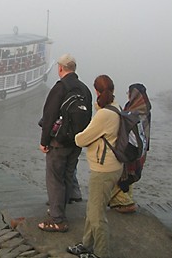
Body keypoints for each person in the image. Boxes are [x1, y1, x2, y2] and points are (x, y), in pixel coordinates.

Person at [67, 74, 123, 258]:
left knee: (97, 215)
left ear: (97, 91)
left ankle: (100, 253)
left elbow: (81, 139)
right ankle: (86, 244)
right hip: (114, 166)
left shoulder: (104, 114)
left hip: (103, 170)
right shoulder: (116, 108)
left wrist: (97, 110)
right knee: (93, 208)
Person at [37, 54, 92, 232]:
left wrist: (44, 141)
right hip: (76, 142)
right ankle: (60, 209)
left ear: (60, 68)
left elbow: (49, 115)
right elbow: (88, 117)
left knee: (54, 178)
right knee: (68, 176)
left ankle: (57, 219)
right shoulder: (84, 89)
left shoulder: (60, 88)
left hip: (59, 142)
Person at [108, 83, 152, 213]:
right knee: (130, 175)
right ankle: (125, 198)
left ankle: (124, 201)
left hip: (132, 149)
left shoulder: (134, 110)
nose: (127, 94)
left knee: (124, 174)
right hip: (141, 150)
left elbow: (125, 124)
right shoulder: (145, 109)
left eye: (129, 92)